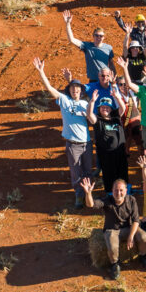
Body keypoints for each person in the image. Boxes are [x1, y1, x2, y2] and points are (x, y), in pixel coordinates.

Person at [33, 57, 91, 207]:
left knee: (87, 171)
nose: (75, 90)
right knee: (75, 172)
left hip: (87, 143)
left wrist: (70, 80)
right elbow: (50, 88)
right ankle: (79, 195)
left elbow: (92, 118)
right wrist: (41, 72)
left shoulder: (86, 104)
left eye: (77, 88)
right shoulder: (65, 101)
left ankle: (88, 194)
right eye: (73, 88)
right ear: (69, 90)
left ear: (81, 90)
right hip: (72, 144)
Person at [80, 176, 146, 280]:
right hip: (112, 230)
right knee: (113, 246)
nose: (118, 193)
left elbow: (136, 220)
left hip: (128, 228)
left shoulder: (131, 200)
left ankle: (143, 256)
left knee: (143, 236)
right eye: (116, 190)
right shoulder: (107, 200)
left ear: (126, 191)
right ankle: (115, 264)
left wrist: (131, 236)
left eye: (121, 190)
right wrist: (88, 193)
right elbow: (90, 204)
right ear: (112, 191)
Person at [86, 92, 128, 194]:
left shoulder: (116, 118)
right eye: (103, 107)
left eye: (107, 107)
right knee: (109, 175)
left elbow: (123, 108)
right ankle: (110, 194)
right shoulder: (97, 120)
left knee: (122, 173)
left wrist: (117, 97)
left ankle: (126, 193)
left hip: (120, 152)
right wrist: (92, 101)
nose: (105, 108)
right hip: (106, 154)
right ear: (99, 109)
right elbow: (89, 114)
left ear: (111, 109)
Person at [63, 10, 113, 82]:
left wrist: (114, 77)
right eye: (96, 35)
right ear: (93, 36)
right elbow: (71, 40)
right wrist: (68, 23)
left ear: (104, 37)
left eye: (101, 36)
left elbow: (111, 64)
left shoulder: (109, 47)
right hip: (93, 80)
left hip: (106, 79)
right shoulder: (87, 46)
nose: (98, 37)